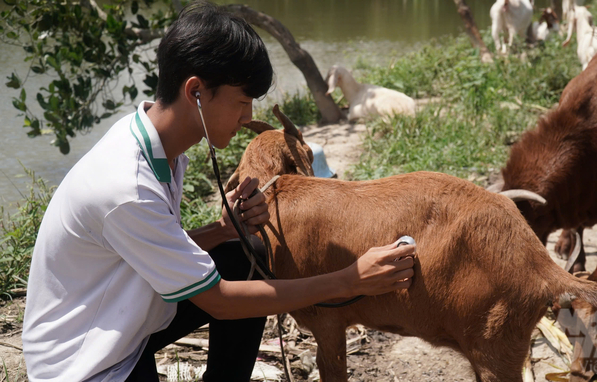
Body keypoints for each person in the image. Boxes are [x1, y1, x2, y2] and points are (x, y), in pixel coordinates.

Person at [21, 1, 416, 381]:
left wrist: (223, 231)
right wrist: (350, 279)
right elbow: (222, 302)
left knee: (243, 255)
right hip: (83, 361)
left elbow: (148, 249)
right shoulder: (128, 185)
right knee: (231, 285)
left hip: (117, 318)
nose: (247, 118)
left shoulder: (154, 145)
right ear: (196, 91)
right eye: (242, 102)